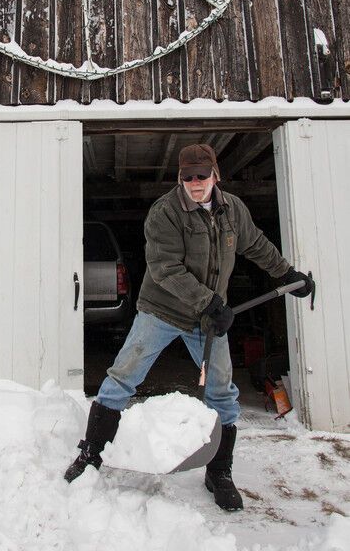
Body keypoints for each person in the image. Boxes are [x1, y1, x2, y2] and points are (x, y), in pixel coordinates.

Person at [64, 143, 313, 511]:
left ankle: (219, 472)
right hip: (161, 311)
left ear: (216, 175)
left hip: (207, 319)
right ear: (180, 178)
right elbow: (166, 269)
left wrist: (287, 274)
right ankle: (91, 453)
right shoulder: (165, 213)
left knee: (222, 393)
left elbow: (256, 245)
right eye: (188, 177)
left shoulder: (233, 211)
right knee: (122, 377)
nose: (195, 183)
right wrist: (211, 302)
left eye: (202, 175)